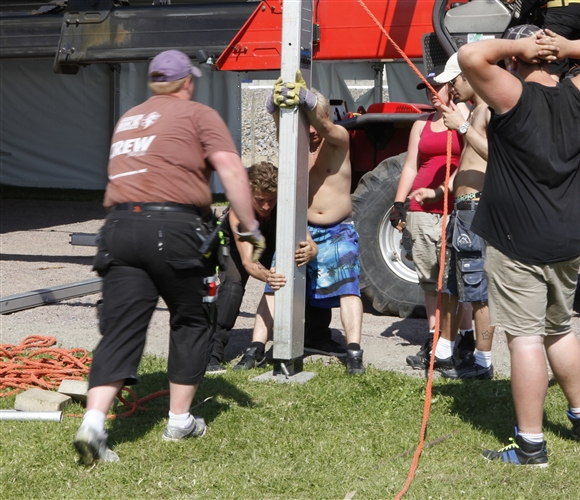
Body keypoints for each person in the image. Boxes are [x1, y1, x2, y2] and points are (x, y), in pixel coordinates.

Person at [74, 50, 265, 464]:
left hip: (119, 229)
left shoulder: (128, 119)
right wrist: (250, 228)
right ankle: (179, 420)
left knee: (121, 328)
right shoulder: (198, 114)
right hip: (175, 228)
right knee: (192, 317)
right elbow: (232, 171)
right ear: (187, 82)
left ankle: (92, 422)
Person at [458, 25, 580, 465]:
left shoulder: (512, 96)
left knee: (526, 340)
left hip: (519, 239)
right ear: (555, 59)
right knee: (560, 328)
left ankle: (531, 445)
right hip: (564, 237)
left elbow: (469, 55)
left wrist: (519, 45)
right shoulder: (578, 95)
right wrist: (567, 47)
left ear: (515, 60)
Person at [273, 72, 365, 375]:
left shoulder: (338, 138)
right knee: (277, 281)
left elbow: (325, 127)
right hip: (304, 229)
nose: (311, 129)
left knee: (348, 286)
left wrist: (308, 100)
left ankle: (354, 352)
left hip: (338, 231)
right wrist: (272, 106)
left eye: (314, 120)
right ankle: (258, 347)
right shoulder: (298, 146)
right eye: (305, 122)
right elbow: (280, 130)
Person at [409, 53, 494, 380]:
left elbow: (496, 155)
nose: (450, 87)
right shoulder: (474, 113)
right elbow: (468, 164)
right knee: (451, 285)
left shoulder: (488, 110)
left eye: (454, 80)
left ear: (472, 75)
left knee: (478, 290)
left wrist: (460, 126)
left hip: (476, 208)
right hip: (462, 209)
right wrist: (438, 192)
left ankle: (484, 362)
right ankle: (443, 351)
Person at [390, 68, 472, 372]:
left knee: (457, 279)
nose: (432, 93)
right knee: (430, 280)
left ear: (453, 86)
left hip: (455, 207)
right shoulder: (421, 125)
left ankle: (464, 337)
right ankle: (434, 338)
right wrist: (399, 203)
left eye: (438, 87)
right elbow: (411, 166)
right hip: (422, 211)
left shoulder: (464, 116)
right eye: (427, 89)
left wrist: (460, 116)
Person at [205, 162, 322, 374]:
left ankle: (315, 335)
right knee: (233, 284)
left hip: (269, 243)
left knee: (306, 269)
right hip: (236, 247)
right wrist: (268, 275)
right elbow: (249, 262)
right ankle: (212, 353)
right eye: (260, 200)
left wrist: (312, 251)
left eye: (271, 200)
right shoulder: (240, 211)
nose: (267, 206)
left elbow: (309, 242)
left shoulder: (287, 205)